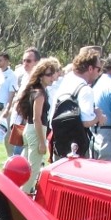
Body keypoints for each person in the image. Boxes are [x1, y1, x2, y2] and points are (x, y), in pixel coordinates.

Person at [50, 46, 105, 161]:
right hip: (76, 146)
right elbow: (86, 121)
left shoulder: (66, 81)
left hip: (58, 142)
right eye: (98, 69)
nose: (99, 73)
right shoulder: (85, 89)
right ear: (90, 69)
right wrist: (98, 117)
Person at [14, 57, 60, 193]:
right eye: (49, 74)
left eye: (53, 73)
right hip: (36, 131)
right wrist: (42, 141)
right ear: (41, 76)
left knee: (26, 169)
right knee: (33, 172)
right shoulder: (40, 93)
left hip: (30, 131)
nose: (52, 77)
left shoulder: (35, 90)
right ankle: (22, 198)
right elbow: (37, 118)